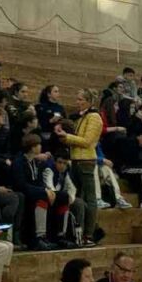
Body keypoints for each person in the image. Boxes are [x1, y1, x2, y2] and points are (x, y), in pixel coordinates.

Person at [60, 89, 102, 245]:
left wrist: (68, 137)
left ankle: (89, 234)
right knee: (77, 197)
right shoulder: (80, 117)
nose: (77, 102)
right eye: (77, 99)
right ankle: (76, 230)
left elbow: (87, 141)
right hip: (76, 160)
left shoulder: (94, 117)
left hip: (86, 161)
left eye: (81, 99)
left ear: (89, 101)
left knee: (90, 199)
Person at [12, 134, 59, 251]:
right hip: (23, 192)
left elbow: (40, 181)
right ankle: (39, 238)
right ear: (32, 147)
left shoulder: (36, 162)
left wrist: (46, 190)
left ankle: (57, 236)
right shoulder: (19, 162)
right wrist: (44, 191)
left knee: (61, 197)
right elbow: (21, 184)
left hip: (34, 191)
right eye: (38, 145)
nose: (40, 147)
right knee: (43, 197)